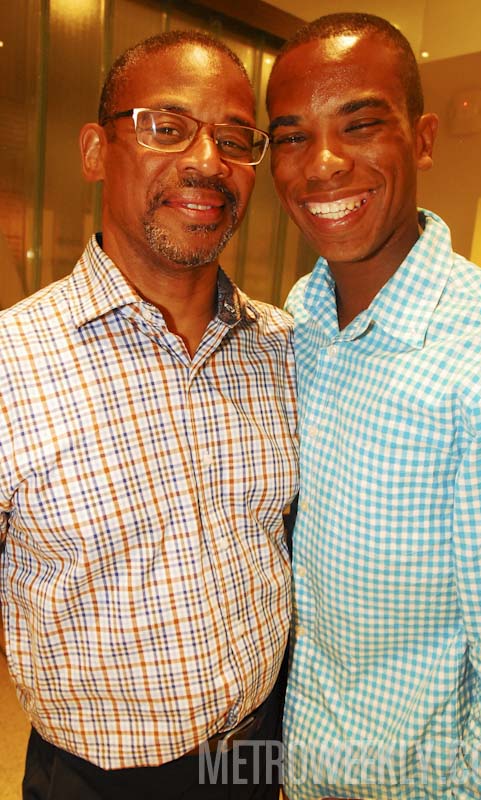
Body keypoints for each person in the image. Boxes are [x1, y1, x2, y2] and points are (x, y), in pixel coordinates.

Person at [0, 30, 298, 800]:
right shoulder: (12, 363)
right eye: (166, 127)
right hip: (100, 780)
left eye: (234, 138)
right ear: (95, 150)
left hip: (260, 750)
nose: (207, 161)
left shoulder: (285, 351)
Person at [267, 12, 481, 800]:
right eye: (291, 136)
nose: (322, 163)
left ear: (421, 140)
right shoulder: (301, 320)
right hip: (301, 766)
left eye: (359, 125)